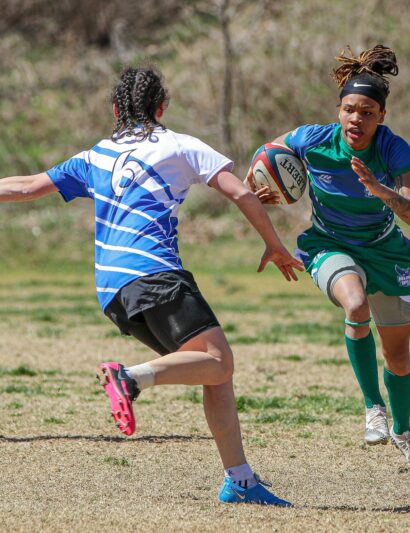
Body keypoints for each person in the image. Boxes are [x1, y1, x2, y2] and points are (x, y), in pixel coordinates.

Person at [0, 66, 304, 504]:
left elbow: (28, 187)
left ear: (114, 109)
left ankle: (239, 481)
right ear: (161, 107)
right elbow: (240, 193)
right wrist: (274, 246)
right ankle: (130, 378)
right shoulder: (180, 145)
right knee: (219, 361)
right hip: (154, 274)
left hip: (113, 292)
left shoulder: (95, 155)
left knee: (211, 369)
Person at [261, 45, 410, 467]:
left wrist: (380, 188)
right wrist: (262, 182)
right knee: (355, 304)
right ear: (339, 110)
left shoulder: (393, 150)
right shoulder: (313, 139)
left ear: (381, 116)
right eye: (350, 109)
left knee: (398, 356)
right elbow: (268, 152)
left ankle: (403, 431)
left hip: (386, 251)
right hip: (329, 244)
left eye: (368, 112)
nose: (357, 118)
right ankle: (373, 407)